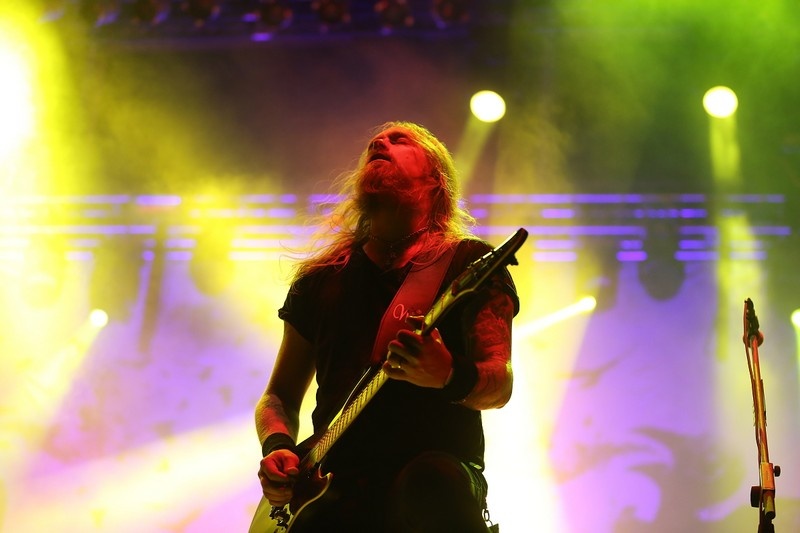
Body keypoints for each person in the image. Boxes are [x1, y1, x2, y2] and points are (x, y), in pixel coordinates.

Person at [254, 121, 519, 532]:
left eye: (400, 140)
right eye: (376, 142)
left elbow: (498, 385)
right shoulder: (321, 279)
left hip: (431, 485)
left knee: (430, 484)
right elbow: (279, 396)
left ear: (435, 180)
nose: (379, 141)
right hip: (331, 488)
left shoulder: (467, 263)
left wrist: (448, 374)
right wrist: (278, 447)